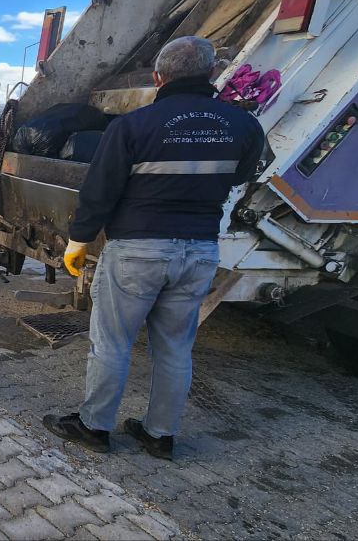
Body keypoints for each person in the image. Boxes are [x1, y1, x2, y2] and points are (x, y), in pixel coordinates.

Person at [43, 36, 265, 460]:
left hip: (137, 250)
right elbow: (244, 174)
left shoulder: (133, 126)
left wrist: (78, 241)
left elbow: (99, 190)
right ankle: (160, 435)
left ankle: (94, 426)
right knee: (176, 347)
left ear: (160, 77)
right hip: (199, 251)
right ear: (212, 72)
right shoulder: (242, 125)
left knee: (112, 342)